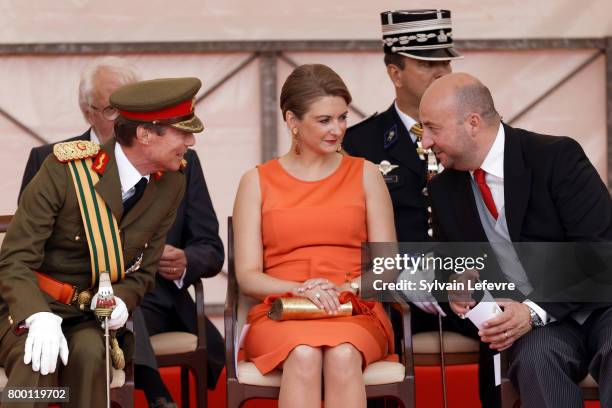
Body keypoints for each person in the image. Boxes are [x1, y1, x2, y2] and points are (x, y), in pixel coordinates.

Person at [18, 57, 225, 408]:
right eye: (115, 109)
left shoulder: (180, 166)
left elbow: (211, 248)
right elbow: (30, 250)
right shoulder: (51, 160)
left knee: (125, 299)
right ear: (88, 112)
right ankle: (155, 392)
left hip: (156, 297)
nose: (126, 117)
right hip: (74, 299)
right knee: (110, 300)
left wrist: (186, 260)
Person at [421, 72, 612, 407]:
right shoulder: (443, 189)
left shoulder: (556, 157)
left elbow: (598, 252)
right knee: (535, 360)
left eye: (432, 128)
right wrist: (455, 285)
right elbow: (446, 262)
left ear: (473, 122)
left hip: (602, 306)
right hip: (538, 329)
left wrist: (534, 310)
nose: (425, 142)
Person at [233, 64, 397, 408]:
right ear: (292, 121)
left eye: (342, 118)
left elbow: (387, 267)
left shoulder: (367, 174)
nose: (337, 129)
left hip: (353, 308)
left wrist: (341, 291)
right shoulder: (256, 181)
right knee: (304, 354)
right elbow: (247, 276)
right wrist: (301, 290)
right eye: (324, 120)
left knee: (342, 355)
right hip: (281, 309)